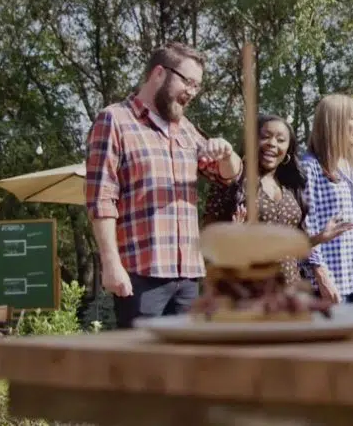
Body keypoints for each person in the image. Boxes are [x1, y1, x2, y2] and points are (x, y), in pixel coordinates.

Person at [85, 42, 241, 329]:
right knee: (140, 368)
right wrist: (111, 263)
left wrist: (228, 153)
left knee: (185, 366)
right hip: (141, 275)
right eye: (189, 82)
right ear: (159, 73)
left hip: (188, 276)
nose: (193, 92)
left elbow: (227, 176)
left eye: (198, 86)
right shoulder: (115, 120)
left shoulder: (185, 130)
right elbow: (101, 198)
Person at [203, 113, 353, 285]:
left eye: (281, 140)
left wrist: (320, 237)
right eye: (265, 137)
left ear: (288, 151)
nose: (272, 144)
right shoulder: (234, 180)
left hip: (289, 288)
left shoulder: (291, 186)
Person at [302, 94, 353, 303]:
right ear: (334, 123)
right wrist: (321, 276)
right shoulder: (310, 167)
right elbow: (305, 228)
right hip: (331, 286)